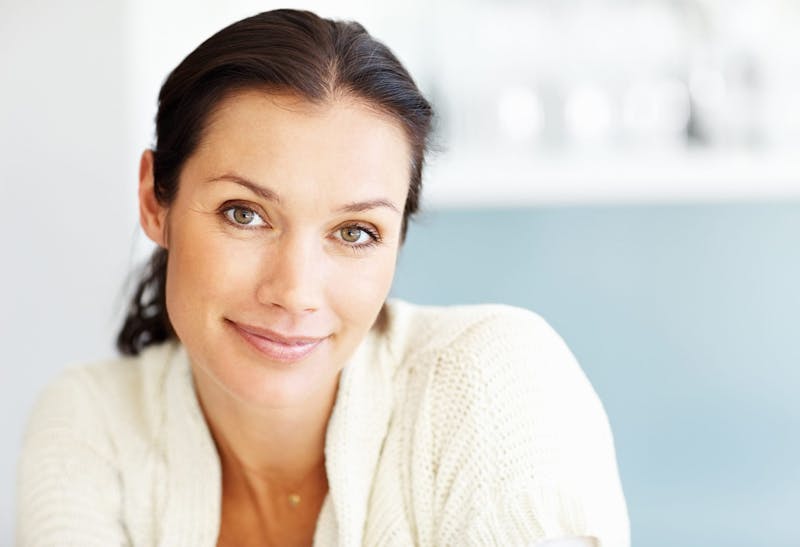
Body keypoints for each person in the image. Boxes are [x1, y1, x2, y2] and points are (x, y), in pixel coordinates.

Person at [16, 9, 629, 547]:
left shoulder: (496, 381)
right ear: (155, 200)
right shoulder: (91, 424)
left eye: (355, 232)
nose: (294, 292)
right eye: (245, 214)